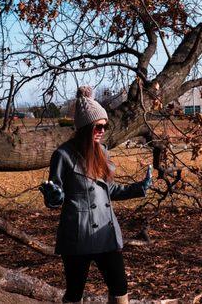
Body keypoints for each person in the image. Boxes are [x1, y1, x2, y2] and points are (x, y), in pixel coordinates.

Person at [40, 86, 153, 304]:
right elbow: (55, 194)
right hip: (77, 236)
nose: (102, 130)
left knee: (120, 288)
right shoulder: (63, 155)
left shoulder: (102, 152)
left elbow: (108, 190)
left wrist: (139, 188)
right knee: (74, 292)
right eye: (98, 126)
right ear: (85, 127)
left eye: (105, 126)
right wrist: (54, 197)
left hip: (105, 234)